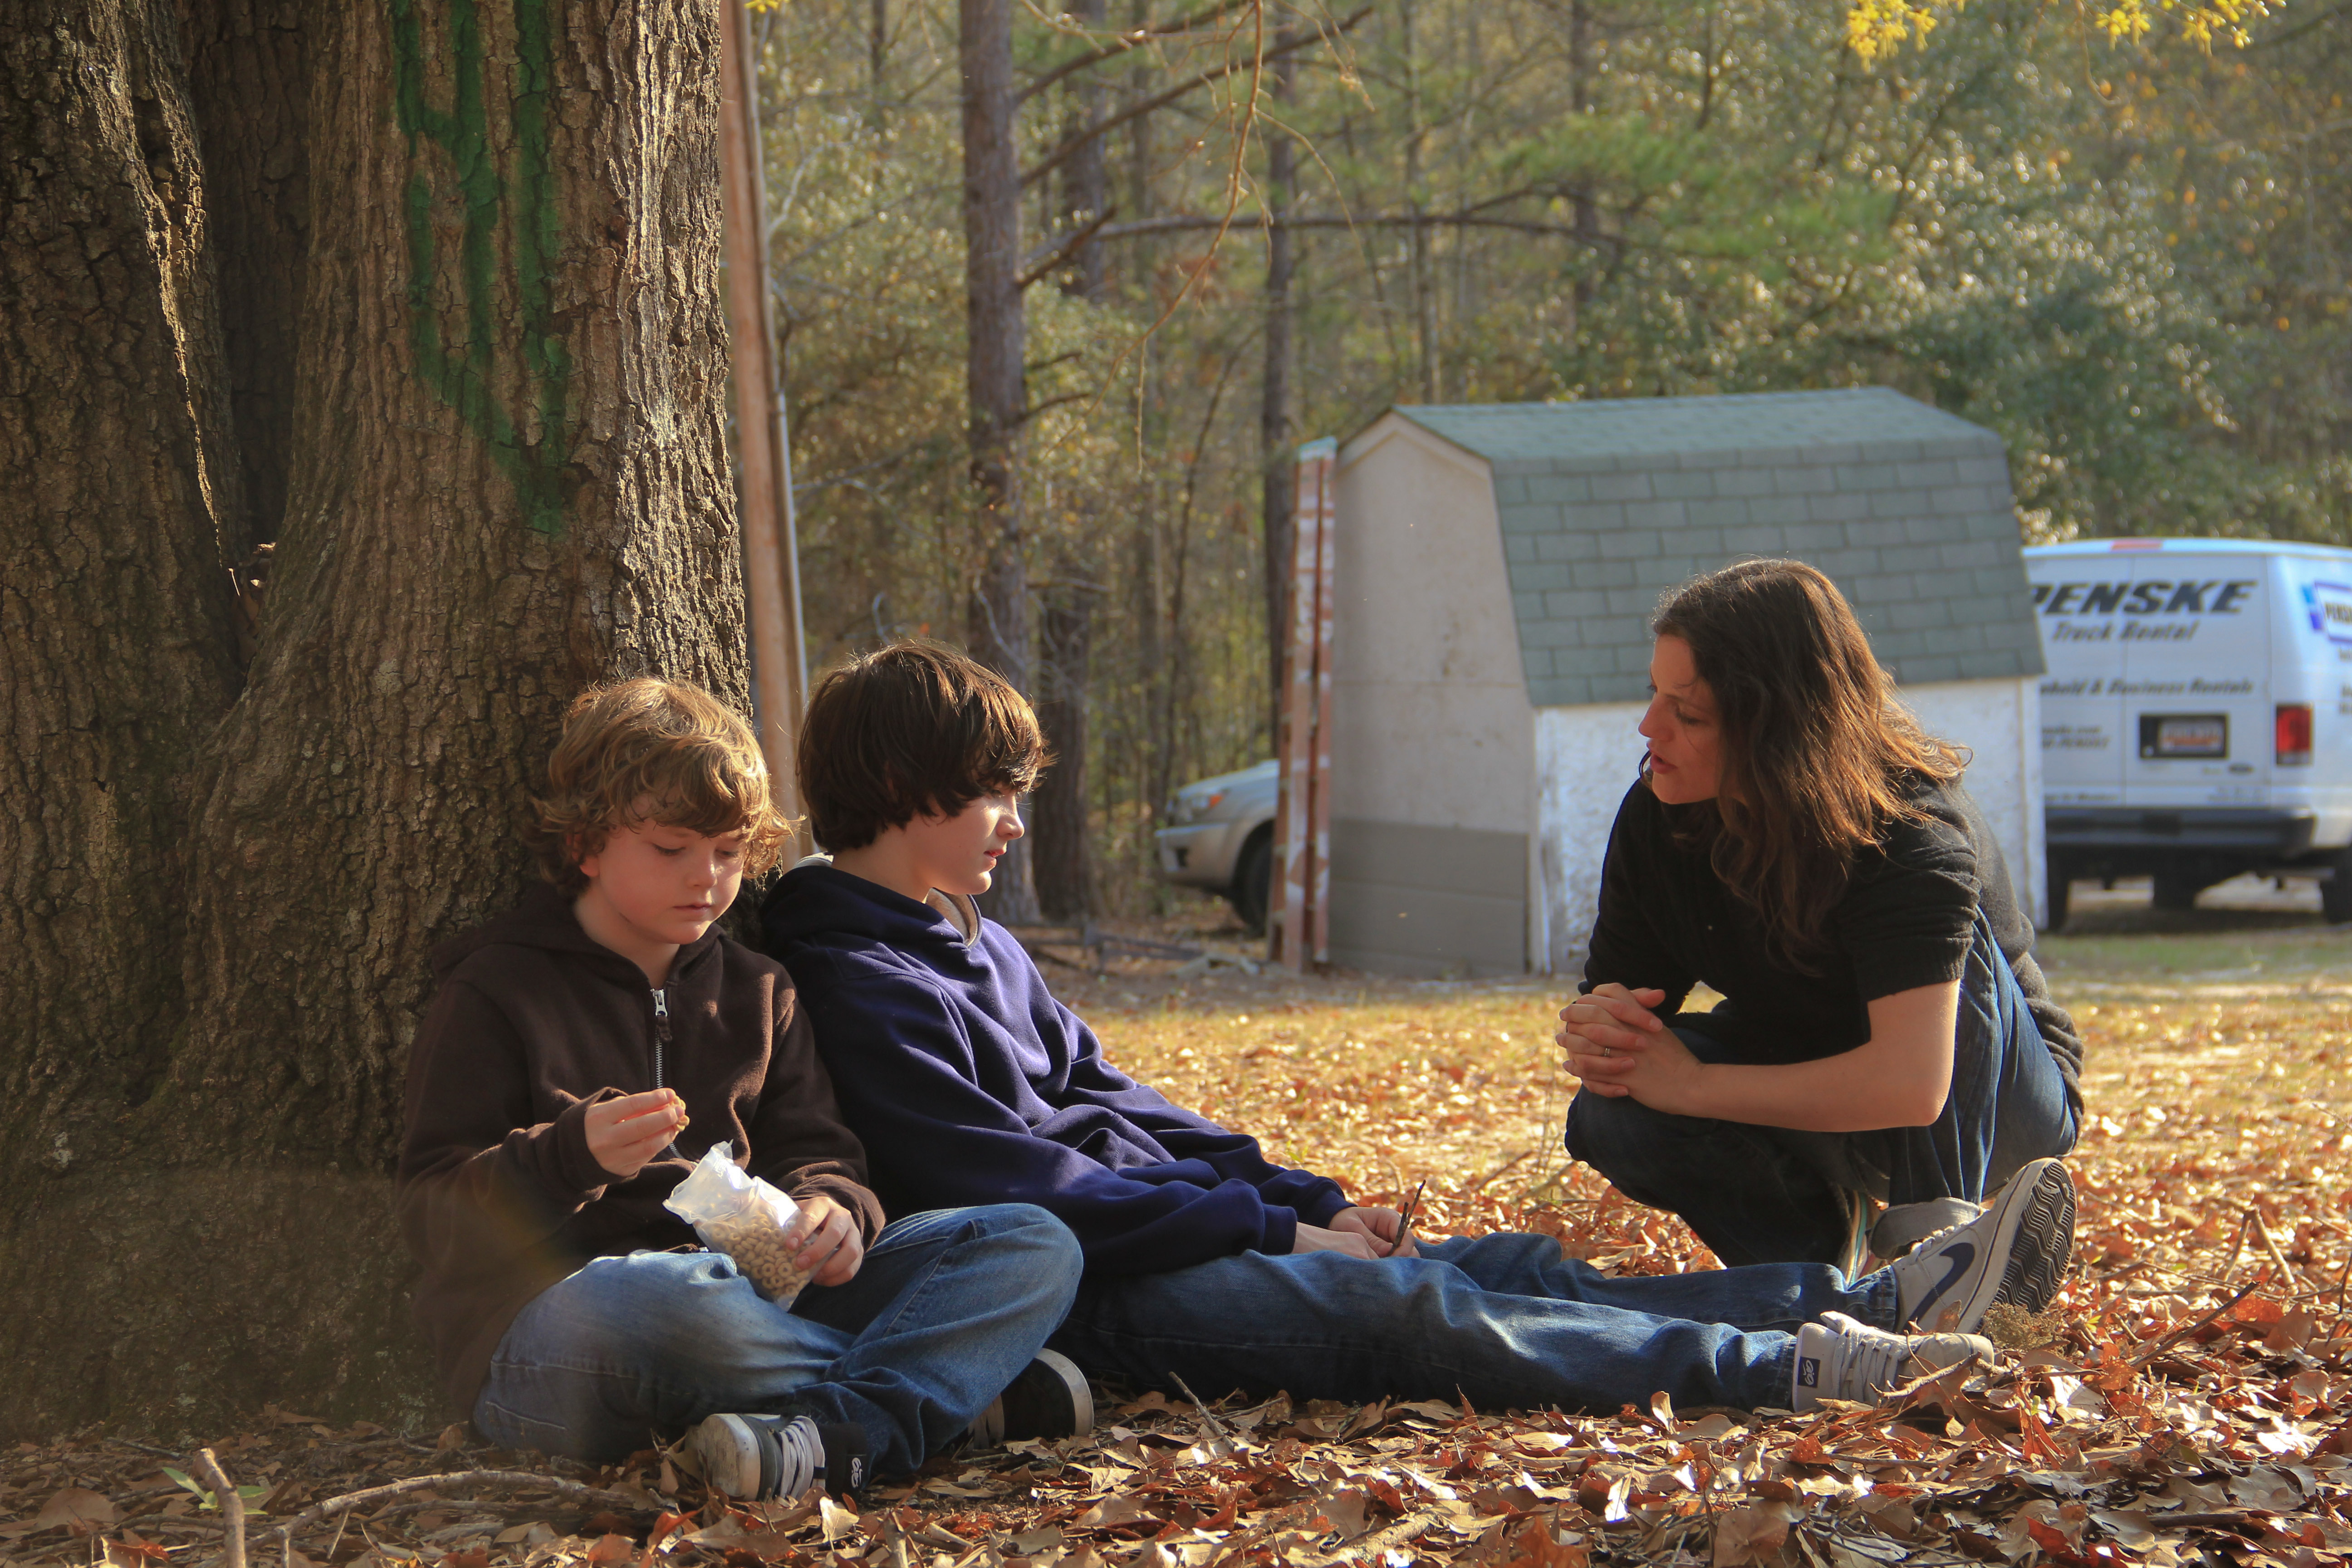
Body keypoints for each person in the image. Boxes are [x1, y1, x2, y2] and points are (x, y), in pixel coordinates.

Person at [760, 642, 2078, 1421]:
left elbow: (1120, 1101)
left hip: (1170, 1237)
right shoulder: (851, 977)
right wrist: (1282, 1235)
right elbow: (1013, 1184)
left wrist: (1300, 1192)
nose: (1011, 820)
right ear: (894, 788)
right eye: (992, 793)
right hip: (1095, 1295)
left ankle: (1857, 1298)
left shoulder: (969, 938)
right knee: (1423, 1312)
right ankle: (1789, 1367)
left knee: (1513, 1263)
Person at [396, 678, 1089, 1507]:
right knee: (668, 1301)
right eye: (671, 849)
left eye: (729, 853)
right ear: (585, 845)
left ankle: (839, 1432)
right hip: (563, 1332)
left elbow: (820, 1151)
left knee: (1031, 1240)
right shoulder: (496, 988)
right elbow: (430, 1214)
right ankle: (947, 1392)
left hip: (757, 1294)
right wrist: (567, 1157)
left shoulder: (763, 990)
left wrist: (835, 1211)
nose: (707, 879)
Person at [1558, 559, 2083, 1274]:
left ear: (1778, 729)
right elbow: (1623, 1009)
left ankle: (1935, 1252)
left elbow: (1911, 1084)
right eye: (1654, 694)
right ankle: (1816, 1277)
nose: (1650, 727)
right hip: (1808, 1073)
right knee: (1608, 1109)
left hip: (1994, 1102)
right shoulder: (1662, 816)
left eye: (1689, 713)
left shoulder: (1908, 834)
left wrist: (1693, 1085)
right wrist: (1604, 1030)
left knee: (1958, 946)